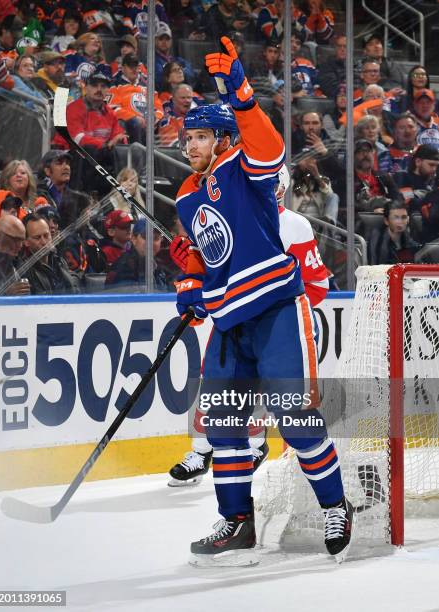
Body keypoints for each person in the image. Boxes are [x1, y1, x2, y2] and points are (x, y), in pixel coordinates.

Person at [173, 36, 352, 566]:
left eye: (201, 136)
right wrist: (191, 291)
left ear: (224, 140)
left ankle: (336, 505)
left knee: (296, 420)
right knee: (224, 426)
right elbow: (197, 252)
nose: (190, 145)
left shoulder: (246, 171)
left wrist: (243, 96)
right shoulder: (185, 193)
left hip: (275, 309)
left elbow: (270, 149)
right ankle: (237, 522)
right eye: (188, 137)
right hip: (230, 322)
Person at [168, 165, 331, 486]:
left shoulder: (295, 226)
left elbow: (317, 285)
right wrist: (192, 263)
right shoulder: (232, 221)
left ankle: (255, 447)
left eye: (271, 184)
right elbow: (221, 276)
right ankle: (202, 451)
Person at [53, 70, 128, 196]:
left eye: (103, 86)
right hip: (68, 154)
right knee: (89, 150)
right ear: (86, 87)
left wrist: (119, 141)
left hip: (98, 156)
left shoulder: (111, 113)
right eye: (94, 85)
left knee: (121, 153)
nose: (99, 89)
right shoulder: (73, 109)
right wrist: (107, 144)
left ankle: (115, 197)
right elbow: (77, 139)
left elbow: (119, 136)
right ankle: (82, 197)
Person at [105, 218, 172, 291]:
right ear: (134, 239)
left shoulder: (158, 265)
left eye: (156, 238)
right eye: (145, 237)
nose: (151, 242)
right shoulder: (124, 266)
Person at [21, 212, 80, 294]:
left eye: (46, 235)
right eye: (37, 238)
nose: (44, 242)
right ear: (26, 241)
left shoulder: (59, 261)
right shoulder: (23, 271)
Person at [367, 200, 420, 265]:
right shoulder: (378, 239)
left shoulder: (408, 236)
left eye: (404, 217)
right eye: (396, 218)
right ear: (386, 221)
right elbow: (375, 268)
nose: (400, 222)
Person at [0, 215, 31, 296]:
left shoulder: (15, 262)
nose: (20, 245)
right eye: (16, 239)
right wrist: (5, 294)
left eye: (22, 240)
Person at [393, 144, 439, 211]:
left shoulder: (435, 181)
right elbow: (408, 202)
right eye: (431, 165)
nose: (434, 169)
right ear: (418, 162)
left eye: (437, 166)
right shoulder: (403, 177)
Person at [155, 21, 194, 91]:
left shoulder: (178, 60)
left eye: (167, 39)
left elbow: (191, 75)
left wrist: (173, 72)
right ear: (155, 40)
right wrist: (180, 71)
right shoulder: (152, 61)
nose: (164, 42)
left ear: (171, 41)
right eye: (161, 39)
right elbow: (160, 79)